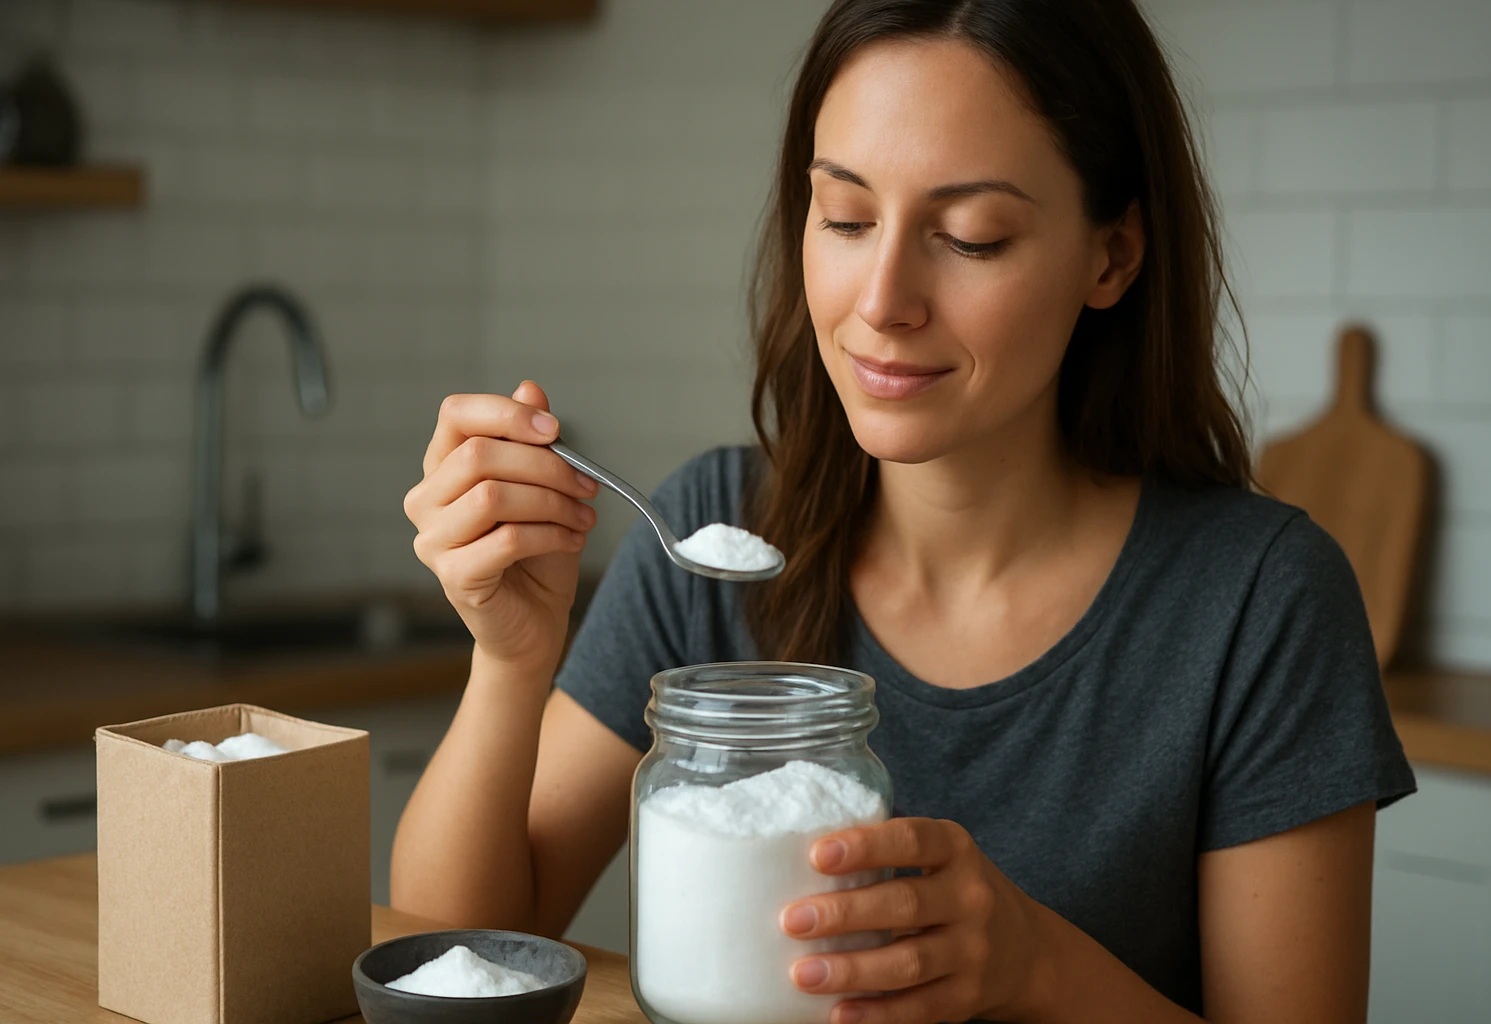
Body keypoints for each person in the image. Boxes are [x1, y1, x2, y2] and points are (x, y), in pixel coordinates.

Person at [394, 1, 1415, 1021]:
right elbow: (450, 954)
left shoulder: (1260, 602)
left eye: (970, 237)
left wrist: (1037, 967)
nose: (882, 298)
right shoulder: (712, 530)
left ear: (1112, 255)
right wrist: (511, 658)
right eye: (844, 216)